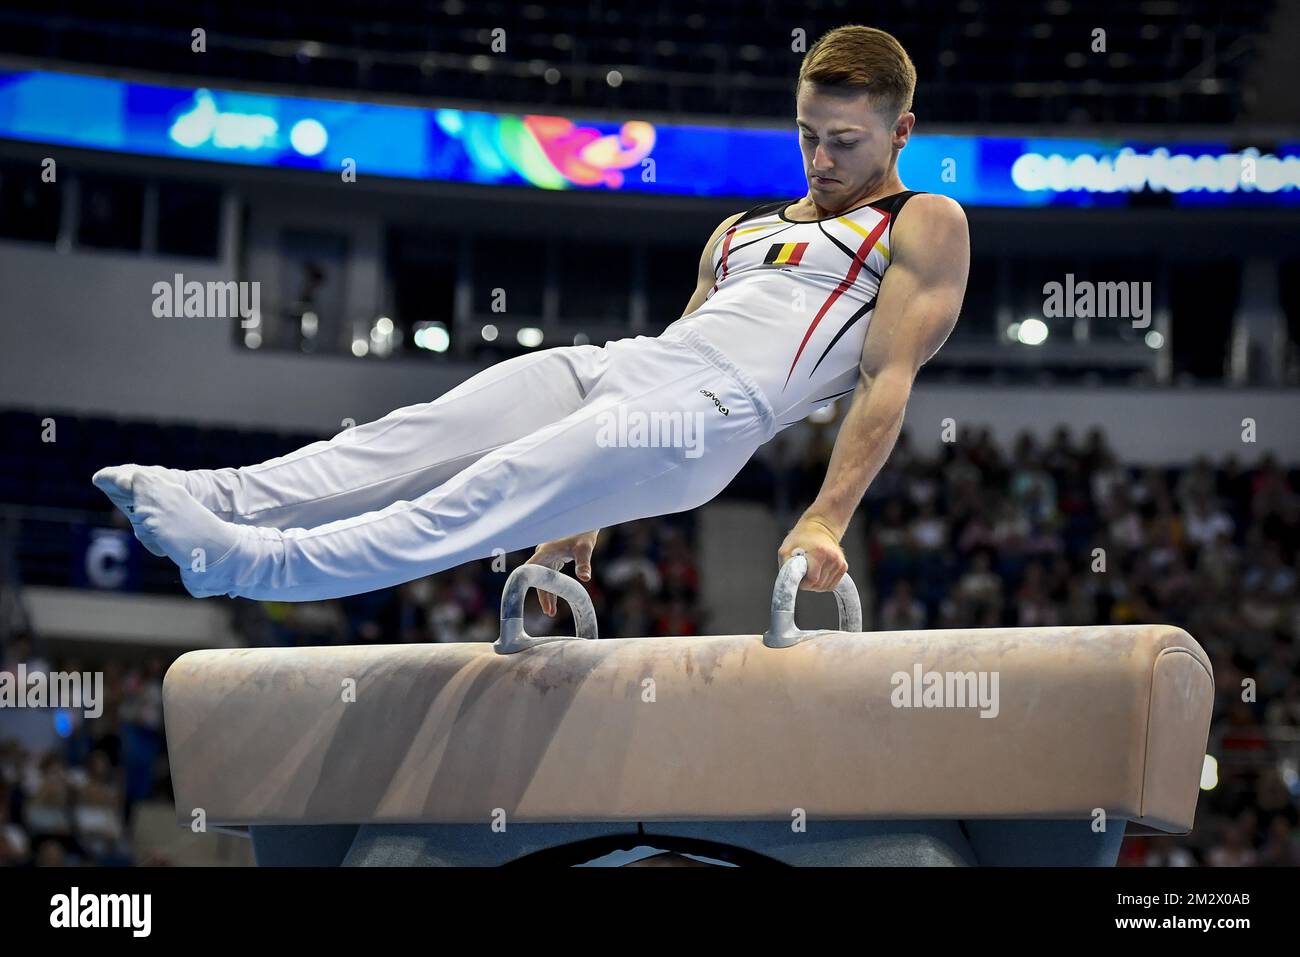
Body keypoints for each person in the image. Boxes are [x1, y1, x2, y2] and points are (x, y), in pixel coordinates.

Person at [93, 25, 969, 606]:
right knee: (414, 434)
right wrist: (594, 502)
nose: (819, 157)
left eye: (844, 141)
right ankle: (215, 497)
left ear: (901, 133)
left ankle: (255, 567)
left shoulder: (921, 222)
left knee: (492, 488)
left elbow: (884, 384)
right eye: (808, 134)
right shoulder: (739, 229)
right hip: (633, 369)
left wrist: (824, 516)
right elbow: (673, 347)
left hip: (716, 413)